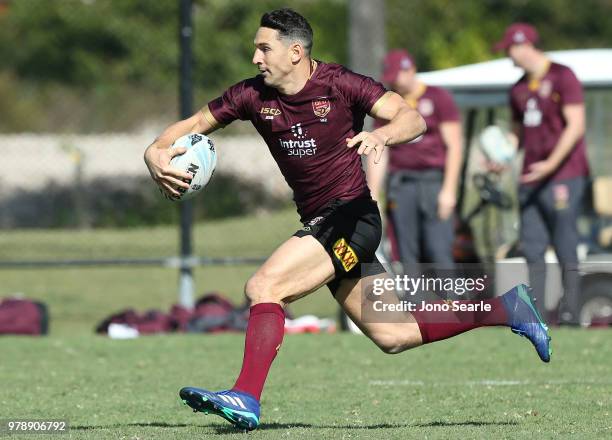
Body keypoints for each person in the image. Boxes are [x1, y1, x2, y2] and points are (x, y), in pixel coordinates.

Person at [144, 9, 551, 431]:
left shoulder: (340, 84)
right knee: (394, 334)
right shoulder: (251, 96)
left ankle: (246, 396)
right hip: (325, 223)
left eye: (264, 48)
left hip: (352, 217)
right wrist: (153, 151)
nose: (256, 58)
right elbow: (192, 125)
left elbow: (412, 118)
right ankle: (507, 307)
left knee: (265, 286)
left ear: (295, 52)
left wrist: (380, 135)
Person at [493, 23, 589, 325]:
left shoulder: (563, 76)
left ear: (524, 46)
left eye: (510, 49)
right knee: (532, 248)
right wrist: (501, 158)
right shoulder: (518, 89)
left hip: (564, 176)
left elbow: (576, 126)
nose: (508, 56)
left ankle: (571, 312)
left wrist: (551, 164)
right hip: (529, 180)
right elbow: (517, 133)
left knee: (564, 246)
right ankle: (537, 314)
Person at [367, 49, 462, 266]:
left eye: (397, 76)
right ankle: (416, 301)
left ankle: (451, 301)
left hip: (432, 183)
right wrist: (373, 193)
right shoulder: (389, 104)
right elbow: (380, 150)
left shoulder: (438, 98)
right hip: (401, 185)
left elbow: (454, 146)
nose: (395, 83)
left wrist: (449, 190)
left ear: (410, 70)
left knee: (439, 251)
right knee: (407, 256)